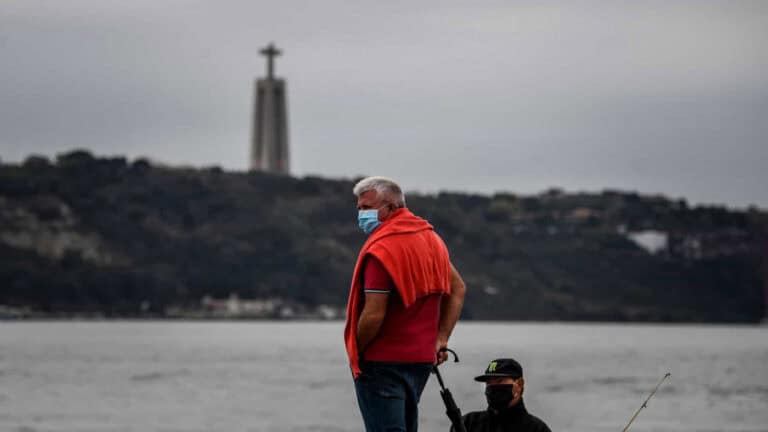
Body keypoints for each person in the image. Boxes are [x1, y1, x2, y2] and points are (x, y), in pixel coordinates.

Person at [344, 176, 466, 432]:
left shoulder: (382, 249)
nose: (361, 214)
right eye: (359, 208)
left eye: (366, 208)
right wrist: (441, 339)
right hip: (421, 360)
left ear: (390, 207)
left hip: (382, 361)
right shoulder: (432, 241)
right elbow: (458, 289)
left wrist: (356, 350)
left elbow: (374, 314)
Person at [453, 358, 552, 432]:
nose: (492, 387)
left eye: (499, 381)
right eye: (488, 383)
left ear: (519, 384)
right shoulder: (468, 423)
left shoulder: (537, 429)